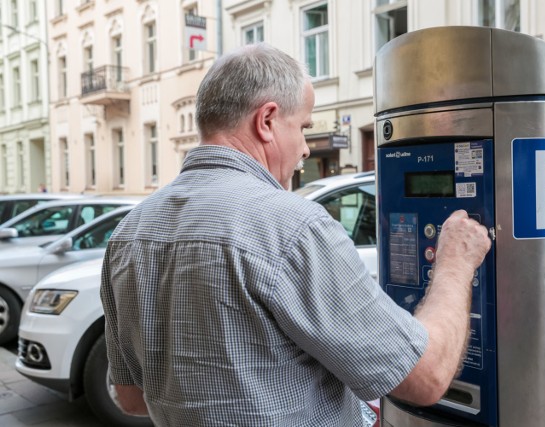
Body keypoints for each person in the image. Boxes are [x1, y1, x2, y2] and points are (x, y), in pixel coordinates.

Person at [100, 43, 491, 426]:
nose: (305, 149)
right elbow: (426, 379)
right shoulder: (294, 227)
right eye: (303, 126)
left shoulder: (128, 234)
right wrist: (455, 263)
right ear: (266, 121)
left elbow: (132, 398)